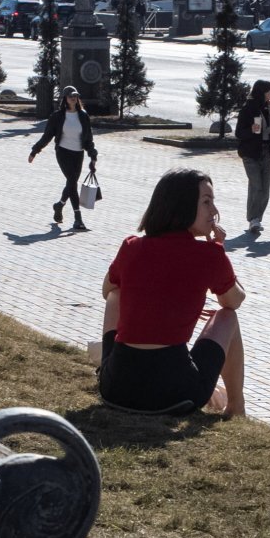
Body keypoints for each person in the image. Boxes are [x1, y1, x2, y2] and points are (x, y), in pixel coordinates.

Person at [92, 169, 248, 420]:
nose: (214, 211)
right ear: (182, 206)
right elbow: (234, 301)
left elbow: (107, 291)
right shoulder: (208, 255)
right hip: (176, 395)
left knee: (116, 294)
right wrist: (220, 252)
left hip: (115, 389)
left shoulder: (132, 246)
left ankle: (106, 365)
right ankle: (236, 407)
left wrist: (152, 299)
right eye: (206, 202)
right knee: (226, 316)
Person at [28, 86, 99, 232]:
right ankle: (78, 219)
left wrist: (92, 156)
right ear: (65, 98)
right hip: (63, 152)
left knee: (71, 183)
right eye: (71, 96)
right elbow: (47, 136)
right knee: (72, 182)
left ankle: (59, 205)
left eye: (76, 96)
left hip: (78, 153)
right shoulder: (57, 116)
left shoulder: (83, 116)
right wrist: (35, 151)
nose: (74, 98)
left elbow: (88, 139)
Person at [233, 80, 270, 232]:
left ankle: (258, 217)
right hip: (251, 153)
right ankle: (253, 219)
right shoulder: (248, 109)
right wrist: (251, 129)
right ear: (262, 92)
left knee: (265, 189)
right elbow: (239, 133)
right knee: (256, 186)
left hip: (267, 152)